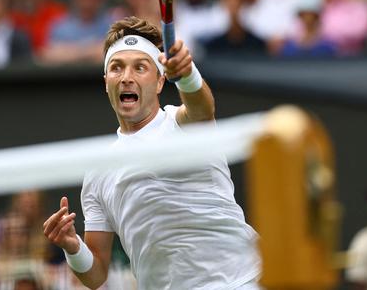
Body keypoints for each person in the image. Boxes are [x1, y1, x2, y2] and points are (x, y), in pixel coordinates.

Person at [43, 16, 261, 289]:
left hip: (240, 281)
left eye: (140, 68)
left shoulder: (181, 125)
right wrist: (72, 248)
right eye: (117, 68)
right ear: (105, 81)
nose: (126, 78)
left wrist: (187, 74)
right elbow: (96, 273)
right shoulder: (98, 171)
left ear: (159, 82)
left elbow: (203, 109)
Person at [39, 0, 112, 65]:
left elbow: (114, 56)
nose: (87, 0)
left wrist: (69, 51)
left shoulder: (112, 24)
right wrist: (92, 50)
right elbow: (48, 56)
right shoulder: (59, 25)